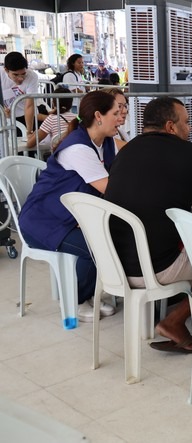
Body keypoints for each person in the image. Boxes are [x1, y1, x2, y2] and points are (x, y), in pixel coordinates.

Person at [104, 97, 192, 353]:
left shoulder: (126, 152)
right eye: (186, 123)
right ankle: (175, 321)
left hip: (112, 264)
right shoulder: (189, 152)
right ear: (171, 126)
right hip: (156, 269)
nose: (189, 129)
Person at [18, 91, 124, 322]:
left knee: (113, 238)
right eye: (116, 113)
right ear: (98, 116)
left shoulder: (105, 142)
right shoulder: (78, 148)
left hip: (70, 217)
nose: (121, 118)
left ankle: (91, 293)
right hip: (43, 222)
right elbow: (111, 188)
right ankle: (76, 300)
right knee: (96, 246)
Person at [1, 52, 39, 137]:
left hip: (24, 116)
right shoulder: (1, 75)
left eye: (23, 74)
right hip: (4, 117)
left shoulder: (32, 76)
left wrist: (29, 131)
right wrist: (2, 109)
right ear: (6, 70)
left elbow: (29, 105)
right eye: (15, 75)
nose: (20, 78)